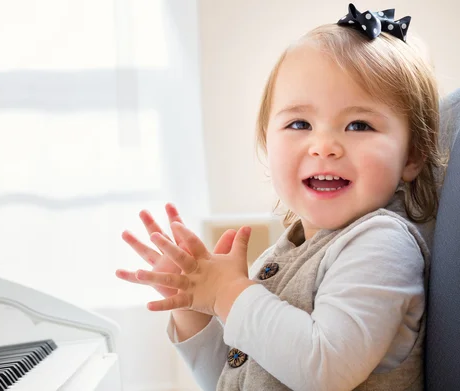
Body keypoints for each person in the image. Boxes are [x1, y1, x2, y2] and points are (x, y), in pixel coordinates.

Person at [115, 3, 446, 390]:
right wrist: (197, 306)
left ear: (411, 156)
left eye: (359, 124)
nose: (324, 145)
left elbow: (325, 369)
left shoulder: (381, 245)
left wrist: (228, 293)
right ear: (267, 144)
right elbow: (235, 380)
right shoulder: (282, 255)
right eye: (299, 123)